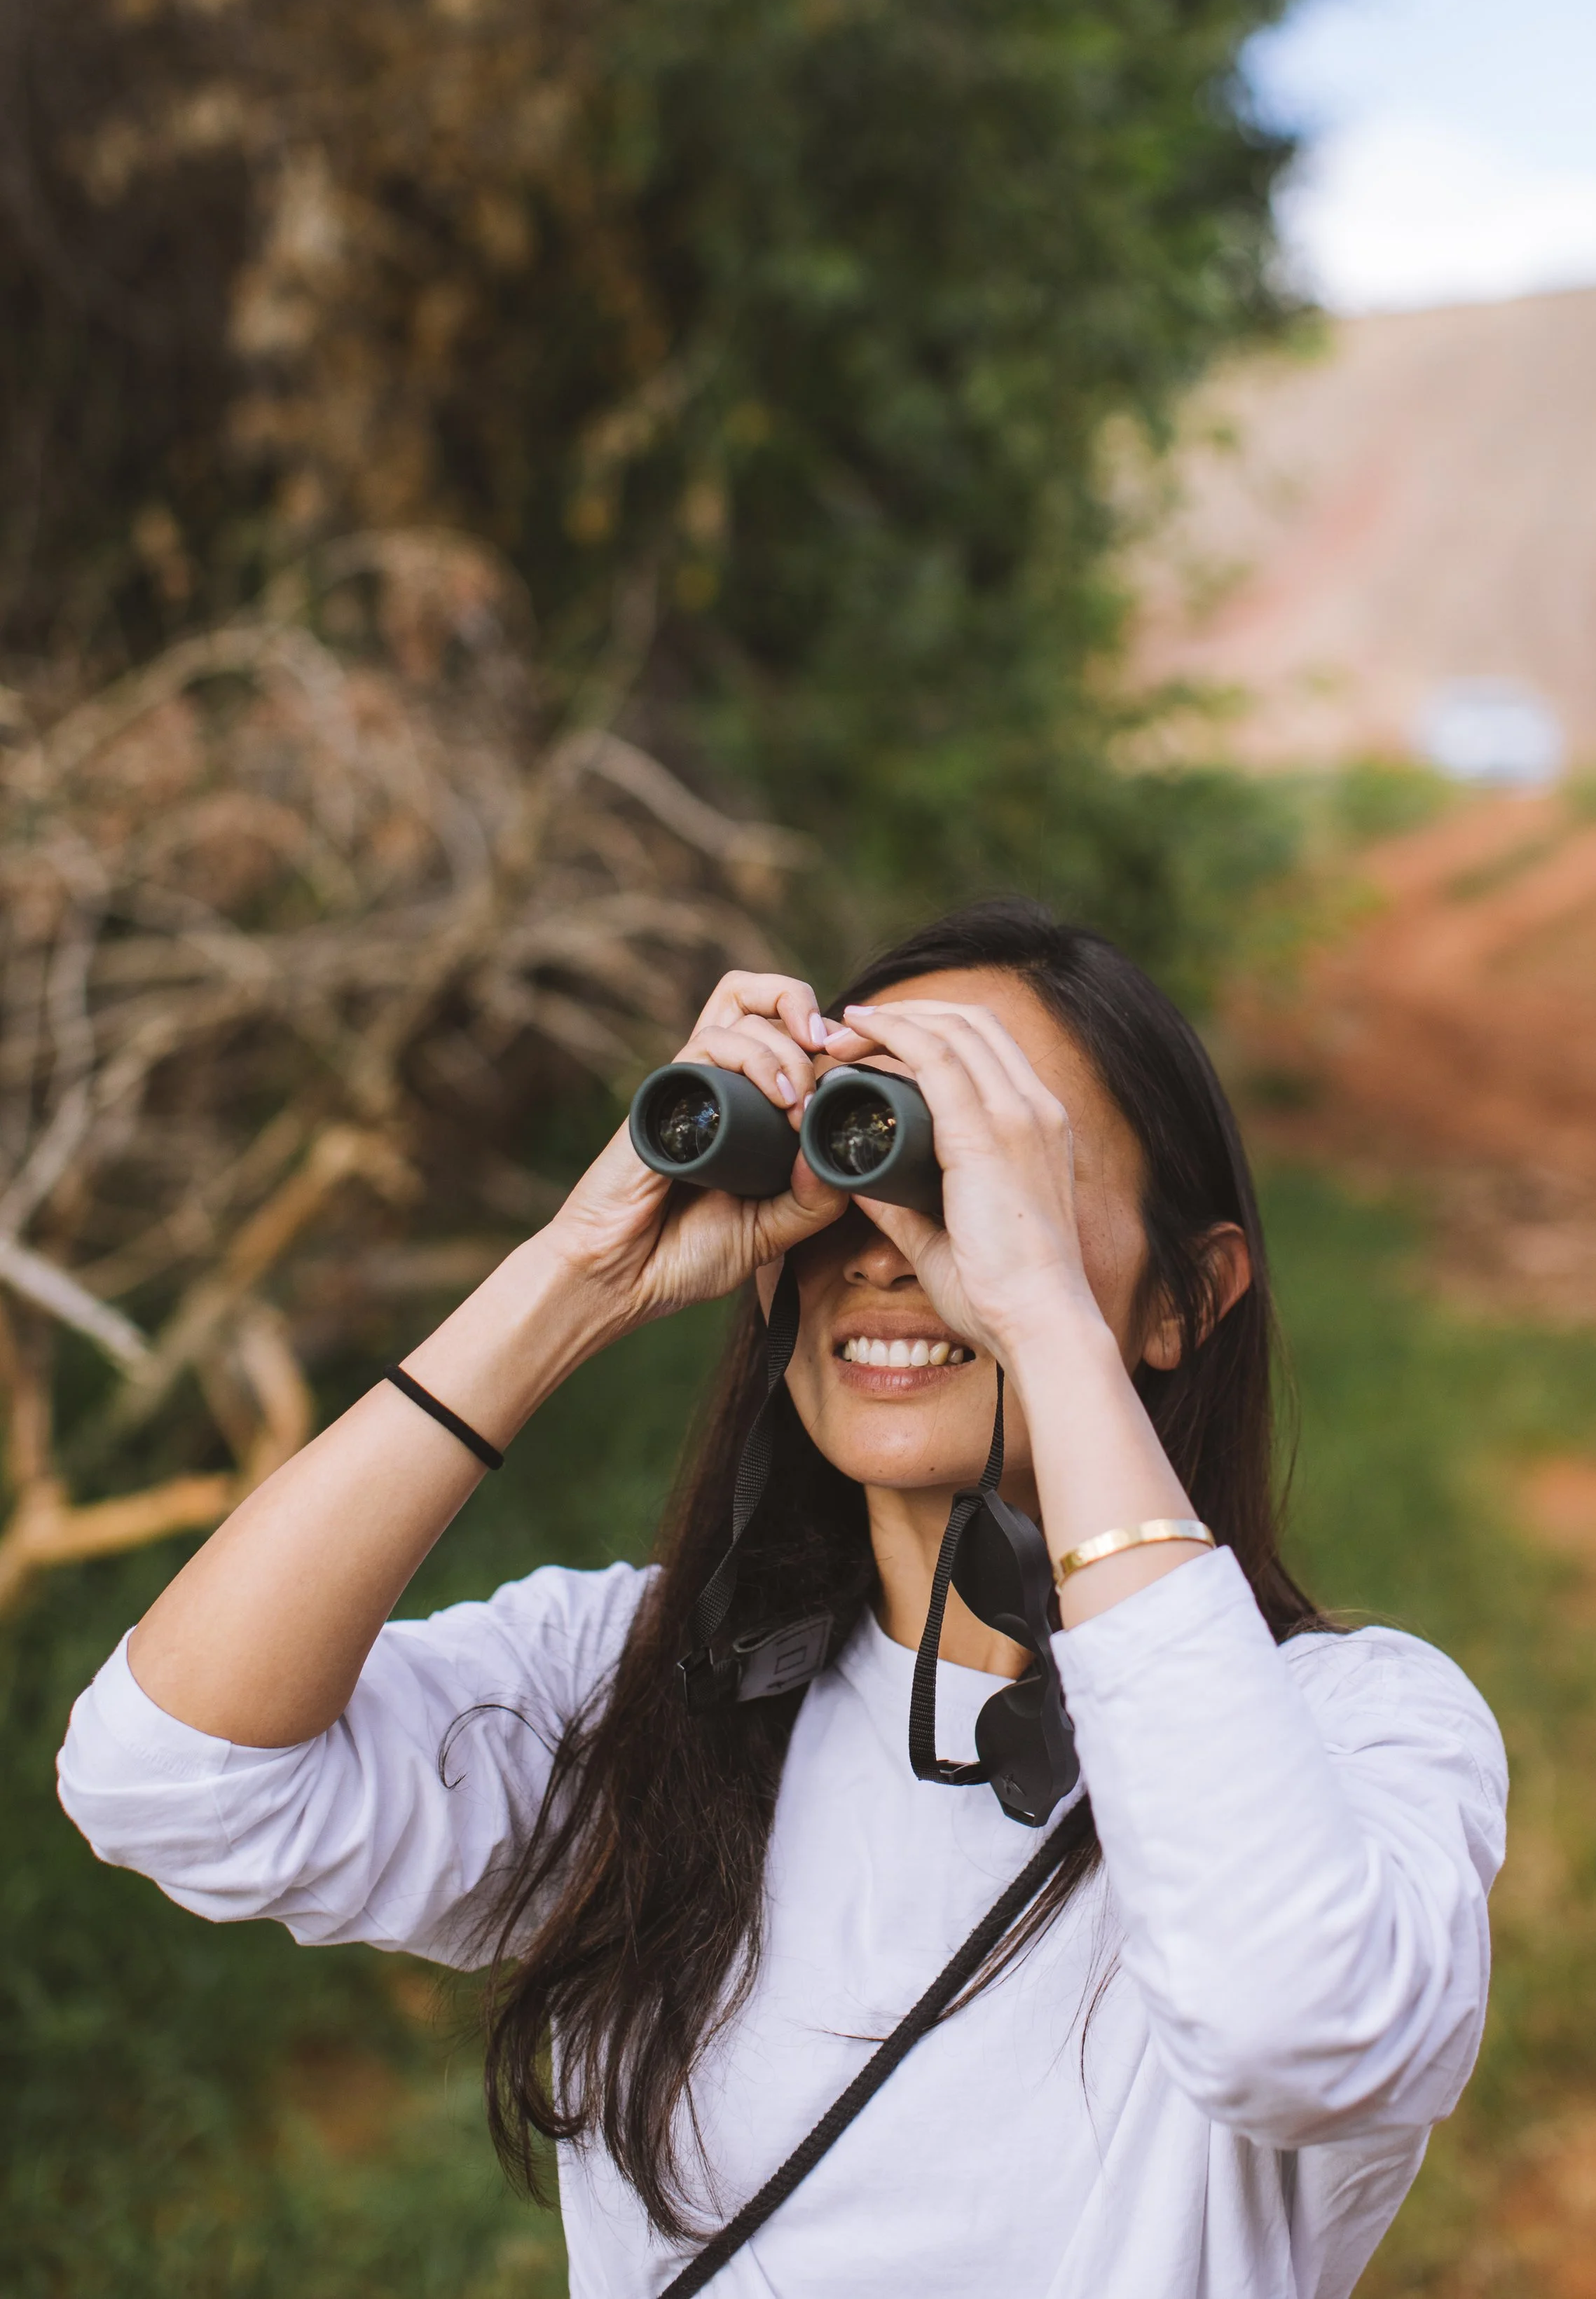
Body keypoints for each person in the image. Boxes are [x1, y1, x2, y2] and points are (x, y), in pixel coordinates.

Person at [59, 899, 1506, 2298]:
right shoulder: (638, 1682)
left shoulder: (1355, 1727)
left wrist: (1038, 1316)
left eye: (981, 1177)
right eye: (855, 1159)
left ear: (1182, 1299)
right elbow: (167, 1777)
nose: (890, 1246)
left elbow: (1299, 2036)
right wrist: (574, 1276)